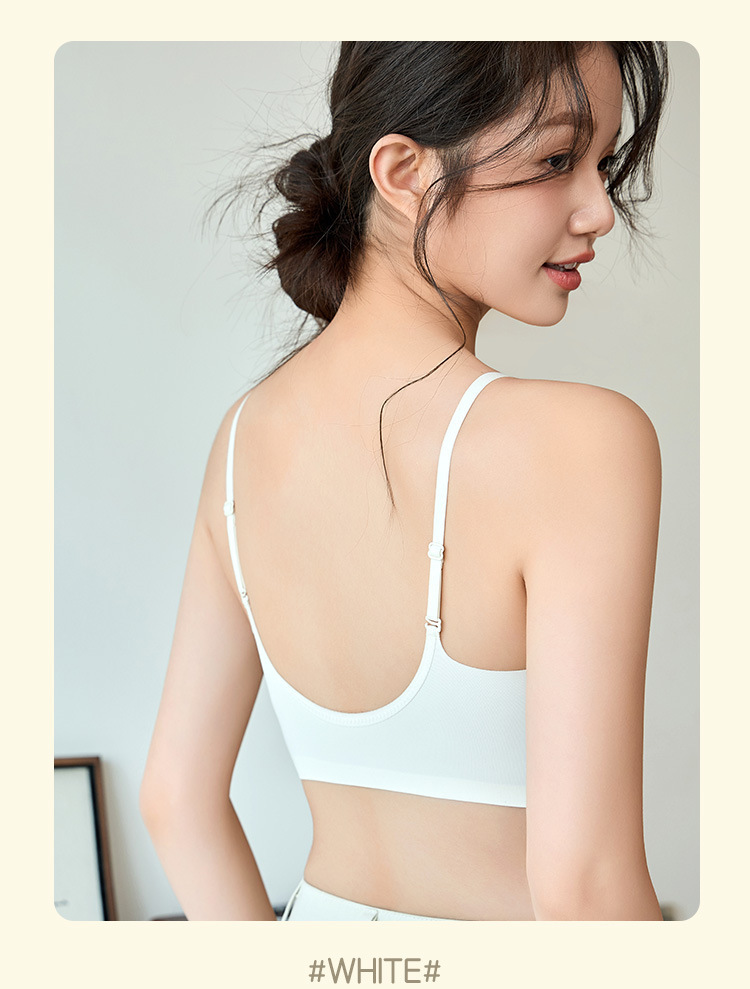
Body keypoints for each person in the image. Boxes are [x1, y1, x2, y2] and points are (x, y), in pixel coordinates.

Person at [139, 41, 669, 921]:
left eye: (603, 164)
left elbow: (175, 798)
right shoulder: (582, 442)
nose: (599, 210)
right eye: (556, 160)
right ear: (403, 172)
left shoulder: (243, 438)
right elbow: (588, 885)